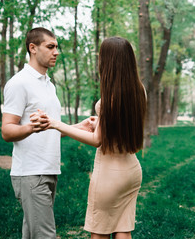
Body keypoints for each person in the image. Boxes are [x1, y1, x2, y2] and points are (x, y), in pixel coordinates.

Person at [31, 37, 147, 239]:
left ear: (108, 61)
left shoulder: (108, 99)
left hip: (110, 175)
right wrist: (98, 124)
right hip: (132, 171)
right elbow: (122, 127)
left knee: (100, 233)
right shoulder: (140, 92)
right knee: (123, 229)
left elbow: (97, 141)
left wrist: (56, 124)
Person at [1, 27, 93, 239]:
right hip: (31, 173)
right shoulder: (19, 83)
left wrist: (81, 126)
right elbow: (7, 130)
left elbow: (51, 129)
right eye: (50, 47)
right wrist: (31, 127)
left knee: (32, 234)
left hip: (49, 170)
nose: (56, 52)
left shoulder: (48, 85)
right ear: (32, 48)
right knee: (45, 235)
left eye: (57, 47)